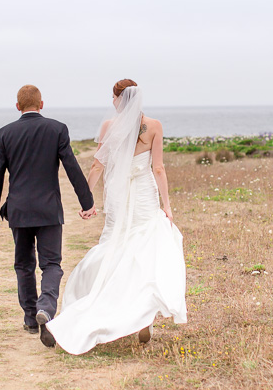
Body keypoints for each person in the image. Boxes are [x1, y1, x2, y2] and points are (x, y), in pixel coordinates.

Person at [46, 79, 187, 354]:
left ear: (118, 99)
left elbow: (98, 165)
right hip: (145, 193)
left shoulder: (109, 127)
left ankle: (107, 303)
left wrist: (86, 199)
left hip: (120, 195)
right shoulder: (154, 126)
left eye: (113, 97)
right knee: (145, 248)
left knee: (113, 246)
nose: (112, 102)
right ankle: (143, 313)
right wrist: (166, 205)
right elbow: (158, 168)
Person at [0, 84, 96, 348]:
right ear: (41, 104)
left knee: (23, 265)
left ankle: (30, 319)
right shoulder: (57, 129)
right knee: (51, 264)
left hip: (19, 211)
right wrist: (87, 202)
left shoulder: (4, 133)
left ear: (17, 106)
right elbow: (72, 166)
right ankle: (46, 306)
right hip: (48, 210)